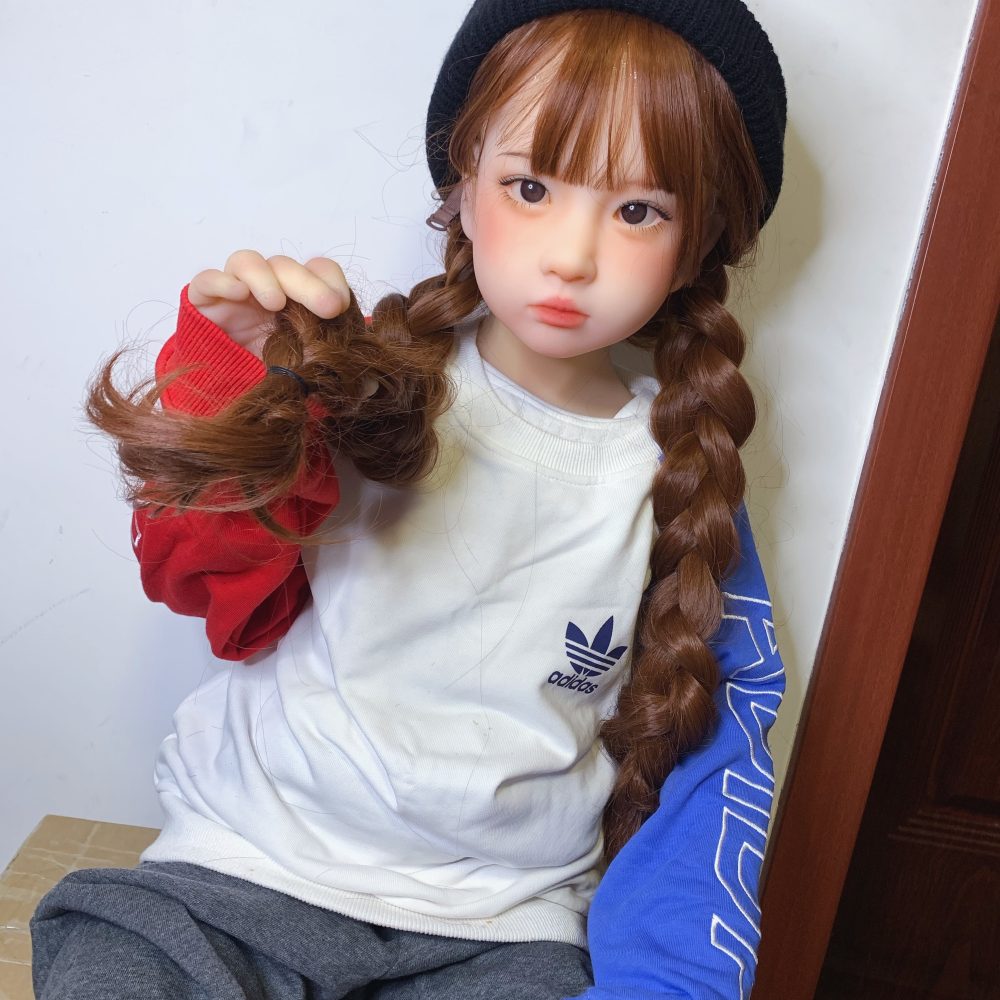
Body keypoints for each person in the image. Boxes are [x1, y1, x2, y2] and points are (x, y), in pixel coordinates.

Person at [31, 1, 788, 998]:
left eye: (638, 210)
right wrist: (230, 389)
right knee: (108, 967)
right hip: (244, 868)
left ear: (699, 240)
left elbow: (713, 761)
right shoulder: (365, 387)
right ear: (463, 184)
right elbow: (207, 595)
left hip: (499, 928)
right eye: (530, 186)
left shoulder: (676, 477)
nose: (572, 255)